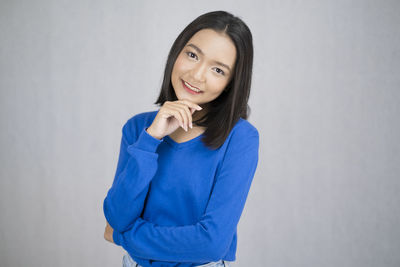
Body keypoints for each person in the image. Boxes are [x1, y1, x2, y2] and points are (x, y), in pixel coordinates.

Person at [103, 10, 259, 267]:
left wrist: (126, 236)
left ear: (231, 83)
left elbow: (211, 243)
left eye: (218, 70)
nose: (197, 75)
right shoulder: (138, 128)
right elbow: (118, 216)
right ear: (177, 52)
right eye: (192, 54)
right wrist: (151, 139)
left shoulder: (240, 138)